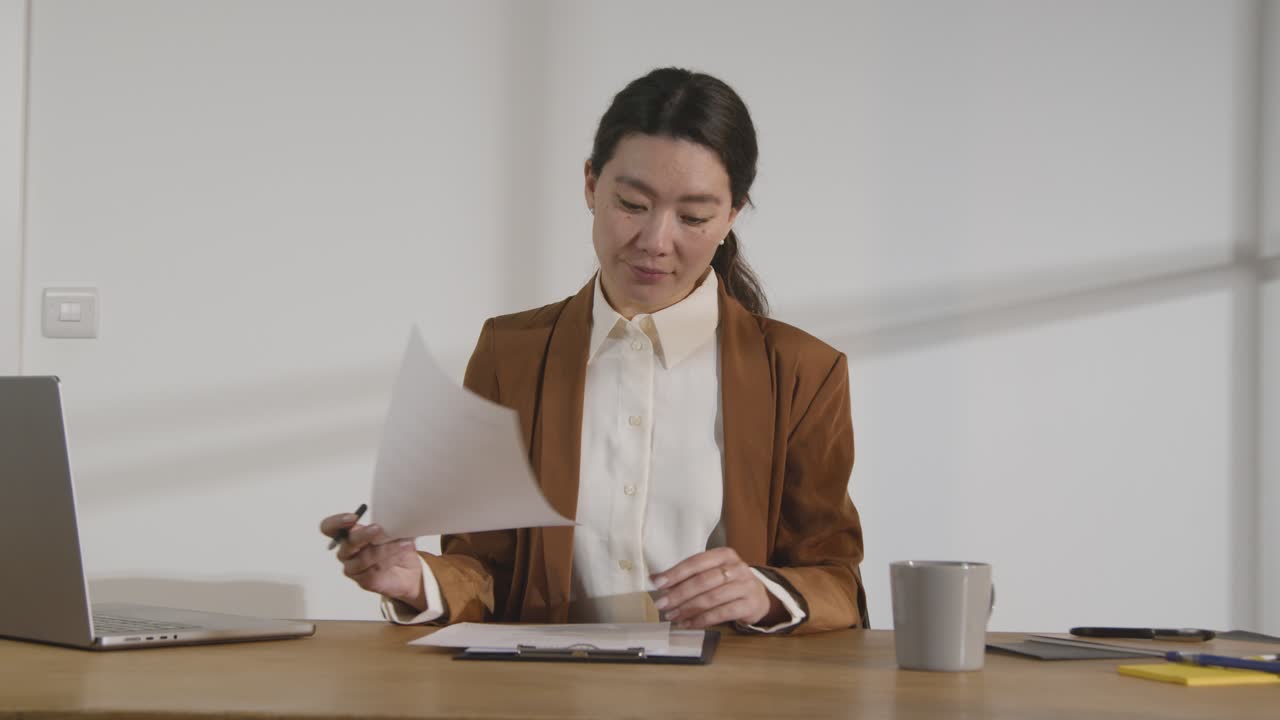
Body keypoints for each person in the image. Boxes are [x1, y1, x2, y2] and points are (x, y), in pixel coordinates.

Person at [320, 67, 867, 634]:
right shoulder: (510, 354)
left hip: (724, 695)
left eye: (693, 217)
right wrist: (415, 579)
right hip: (550, 693)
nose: (655, 241)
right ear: (590, 184)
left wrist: (765, 594)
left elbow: (835, 579)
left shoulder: (803, 372)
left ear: (731, 215)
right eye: (631, 204)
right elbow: (483, 568)